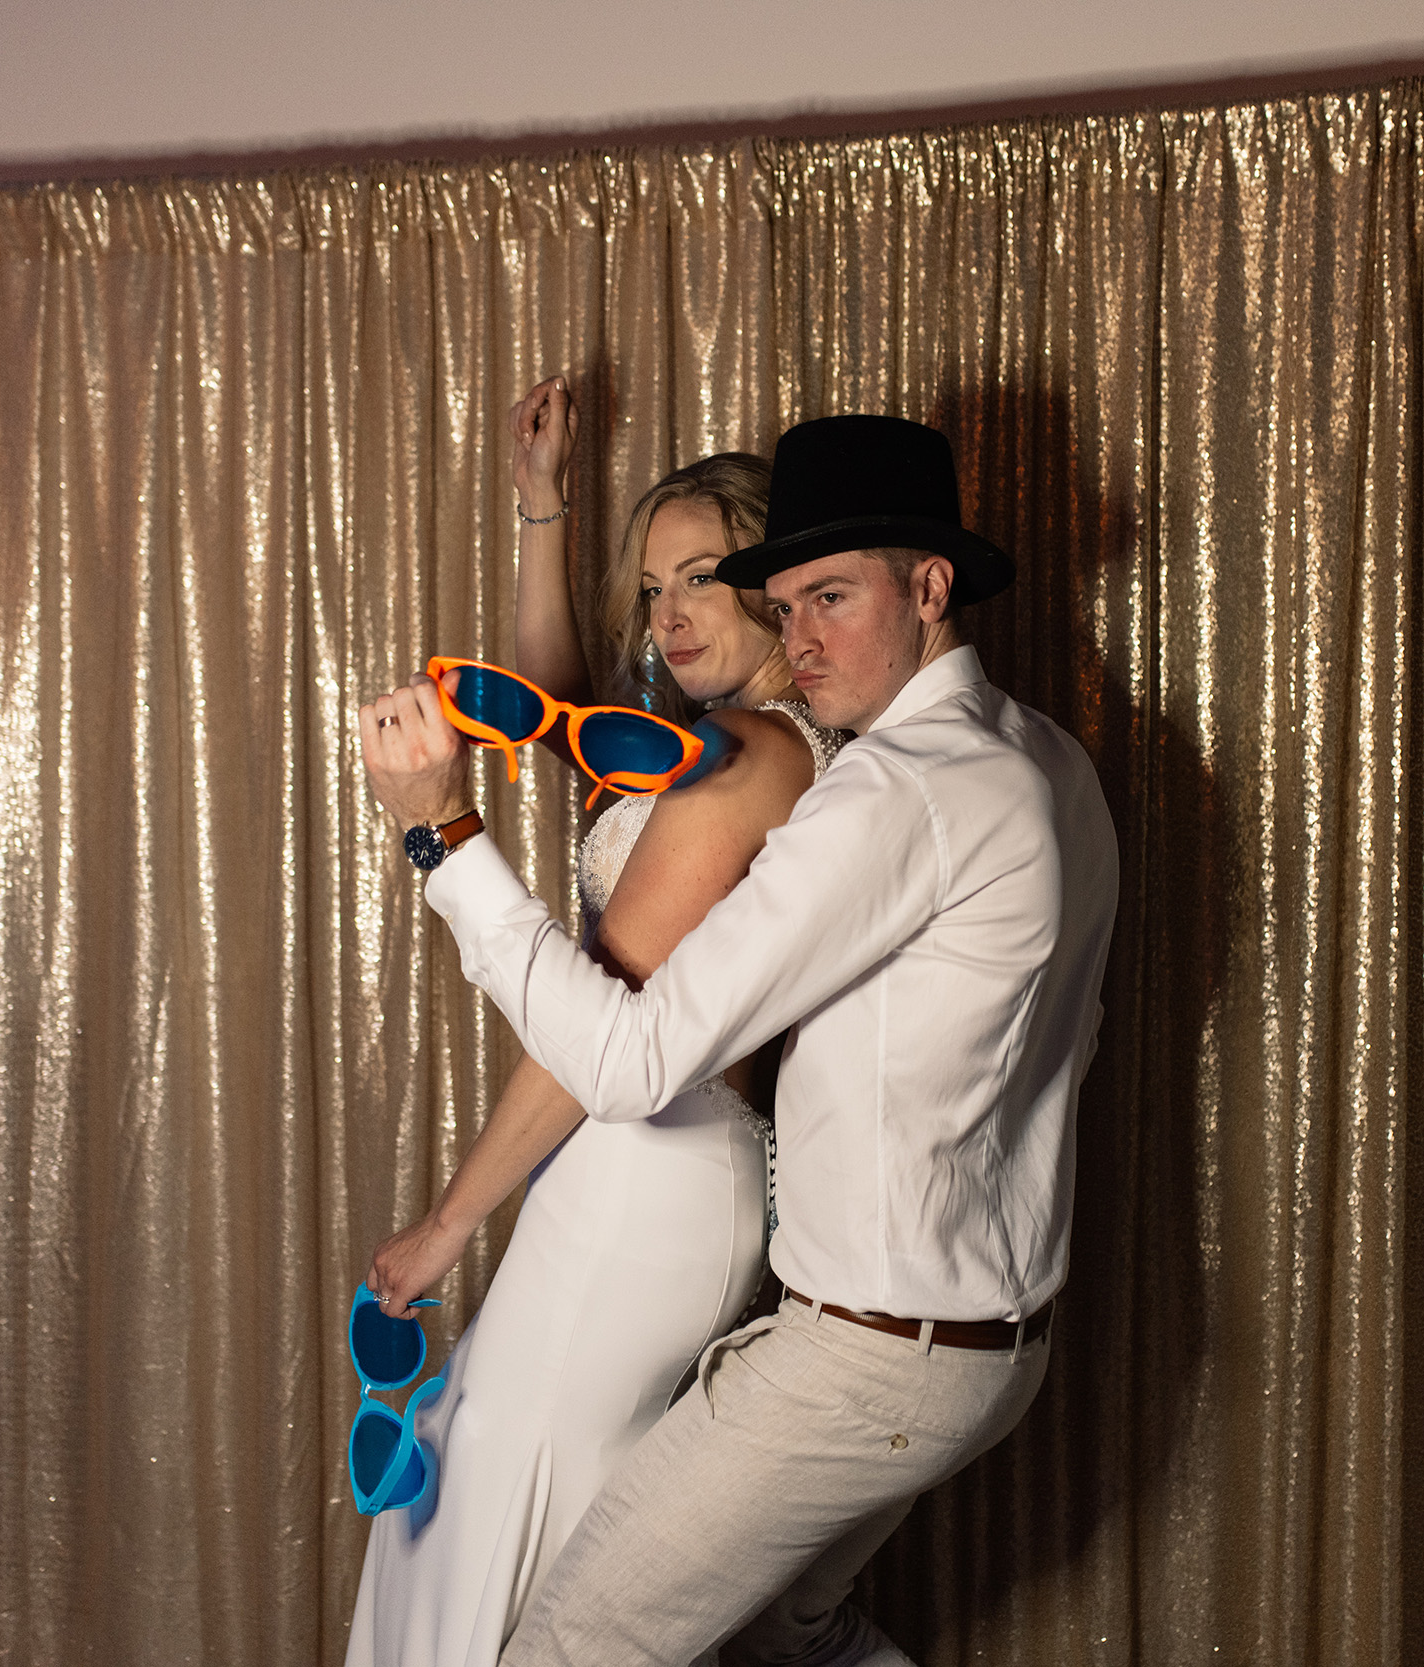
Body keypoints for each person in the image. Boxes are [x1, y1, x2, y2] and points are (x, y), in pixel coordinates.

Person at [359, 413, 1121, 1666]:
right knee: (783, 1635)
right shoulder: (1047, 759)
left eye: (828, 596)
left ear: (929, 588)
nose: (804, 634)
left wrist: (442, 834)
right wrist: (542, 514)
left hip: (870, 1350)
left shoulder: (892, 786)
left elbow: (622, 1059)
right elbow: (1067, 1038)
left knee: (572, 1644)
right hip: (985, 1341)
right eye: (790, 598)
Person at [343, 379, 848, 1667]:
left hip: (650, 1160)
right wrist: (541, 511)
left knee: (509, 1484)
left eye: (701, 576)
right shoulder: (735, 745)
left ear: (775, 583)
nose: (667, 612)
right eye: (650, 586)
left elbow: (603, 1025)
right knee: (523, 1479)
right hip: (653, 1164)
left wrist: (450, 1221)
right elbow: (564, 726)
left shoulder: (747, 757)